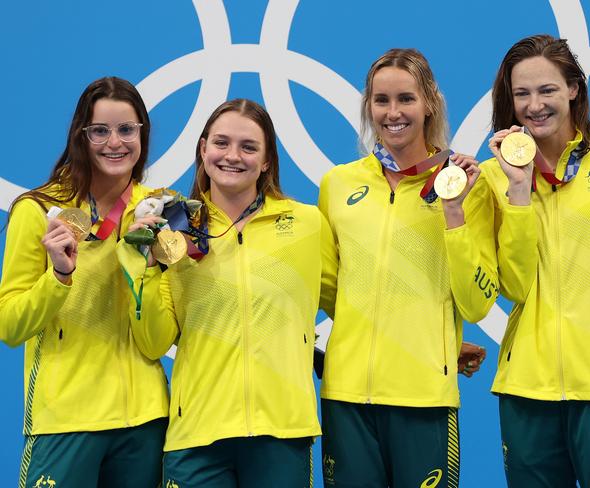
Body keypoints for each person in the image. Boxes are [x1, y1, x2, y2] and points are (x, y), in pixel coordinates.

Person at [317, 48, 537, 487]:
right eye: (381, 101)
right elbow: (328, 290)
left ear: (430, 103)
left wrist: (453, 212)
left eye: (406, 99)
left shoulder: (468, 185)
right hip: (346, 398)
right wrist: (405, 331)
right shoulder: (339, 184)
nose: (393, 113)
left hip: (425, 401)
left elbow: (476, 304)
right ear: (369, 107)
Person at [120, 98, 338, 487]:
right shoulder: (174, 227)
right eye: (220, 143)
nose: (232, 156)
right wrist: (149, 266)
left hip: (282, 432)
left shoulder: (306, 223)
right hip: (198, 435)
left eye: (249, 147)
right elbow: (154, 341)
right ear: (203, 149)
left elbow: (348, 304)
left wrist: (426, 343)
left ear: (267, 159)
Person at [485, 34, 590, 488]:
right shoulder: (492, 177)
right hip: (526, 390)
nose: (534, 105)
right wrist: (518, 190)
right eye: (522, 94)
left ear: (574, 88)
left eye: (547, 90)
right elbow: (514, 285)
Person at [0, 77, 169, 487]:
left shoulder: (160, 208)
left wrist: (146, 268)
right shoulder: (38, 209)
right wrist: (58, 276)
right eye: (100, 131)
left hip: (144, 421)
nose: (115, 142)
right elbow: (10, 326)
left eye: (127, 129)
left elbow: (163, 333)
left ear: (142, 133)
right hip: (67, 419)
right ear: (81, 135)